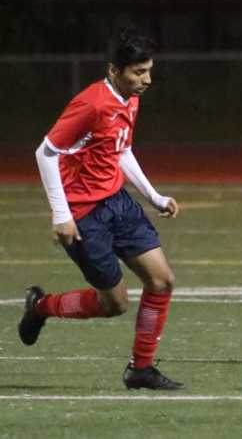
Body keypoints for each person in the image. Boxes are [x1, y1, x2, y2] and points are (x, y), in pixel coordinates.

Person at [18, 27, 185, 390]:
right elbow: (45, 153)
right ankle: (41, 306)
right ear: (114, 71)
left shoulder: (130, 99)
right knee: (115, 304)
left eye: (149, 71)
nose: (147, 80)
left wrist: (153, 196)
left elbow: (120, 150)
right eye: (138, 72)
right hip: (84, 215)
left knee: (162, 280)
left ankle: (140, 369)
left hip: (117, 203)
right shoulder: (92, 104)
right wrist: (61, 215)